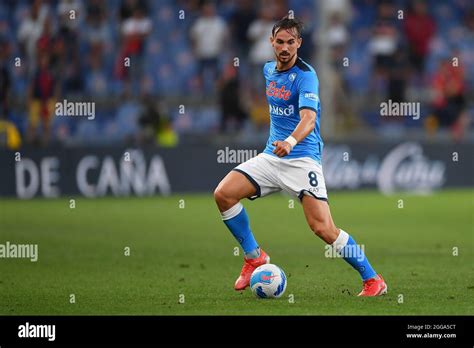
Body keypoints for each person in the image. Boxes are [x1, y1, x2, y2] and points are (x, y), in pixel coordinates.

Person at [214, 17, 387, 297]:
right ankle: (254, 257)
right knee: (223, 194)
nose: (285, 47)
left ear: (299, 44)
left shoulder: (307, 75)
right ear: (271, 42)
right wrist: (278, 143)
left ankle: (373, 280)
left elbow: (308, 118)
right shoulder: (268, 70)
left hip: (301, 159)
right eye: (280, 41)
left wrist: (291, 141)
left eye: (290, 42)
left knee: (323, 228)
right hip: (271, 157)